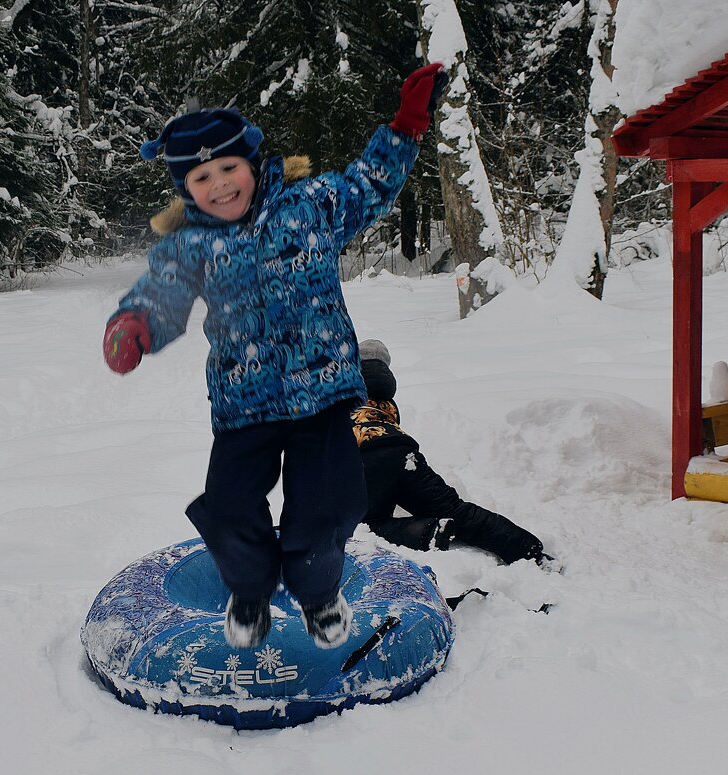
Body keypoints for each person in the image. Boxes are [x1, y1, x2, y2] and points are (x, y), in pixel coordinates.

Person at [102, 63, 449, 650]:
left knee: (328, 505)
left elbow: (371, 182)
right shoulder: (191, 244)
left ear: (254, 164)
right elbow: (157, 296)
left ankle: (317, 597)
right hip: (244, 403)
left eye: (228, 168)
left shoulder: (309, 206)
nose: (219, 185)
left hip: (321, 396)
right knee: (231, 505)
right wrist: (133, 326)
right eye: (202, 176)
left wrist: (407, 124)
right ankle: (250, 589)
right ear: (186, 187)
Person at [351, 339, 555, 568]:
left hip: (356, 454)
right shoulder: (386, 393)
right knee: (455, 509)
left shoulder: (337, 389)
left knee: (360, 527)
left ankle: (423, 532)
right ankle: (530, 551)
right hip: (401, 453)